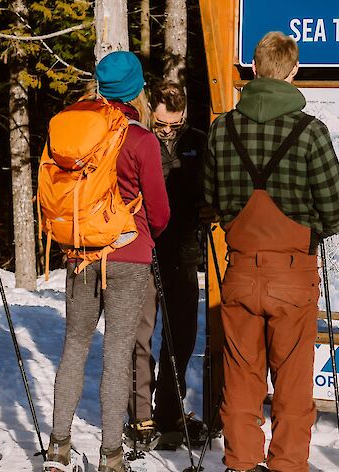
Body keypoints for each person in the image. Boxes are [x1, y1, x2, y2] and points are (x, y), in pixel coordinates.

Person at [201, 31, 339, 472]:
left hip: (241, 267)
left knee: (242, 379)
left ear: (254, 68)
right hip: (293, 269)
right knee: (293, 383)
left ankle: (242, 463)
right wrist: (316, 229)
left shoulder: (222, 127)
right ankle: (286, 464)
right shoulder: (310, 131)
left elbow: (209, 197)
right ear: (293, 71)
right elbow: (333, 203)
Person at [45, 51, 171, 472]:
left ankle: (58, 448)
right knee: (118, 352)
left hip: (80, 254)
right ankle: (111, 456)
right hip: (129, 256)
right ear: (137, 90)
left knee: (75, 345)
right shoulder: (141, 139)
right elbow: (160, 212)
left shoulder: (75, 131)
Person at [125, 82, 208, 451]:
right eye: (162, 125)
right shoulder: (140, 138)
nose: (168, 131)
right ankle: (140, 413)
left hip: (184, 249)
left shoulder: (198, 141)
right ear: (151, 114)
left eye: (174, 125)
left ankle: (170, 409)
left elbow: (210, 187)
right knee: (140, 333)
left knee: (183, 334)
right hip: (145, 247)